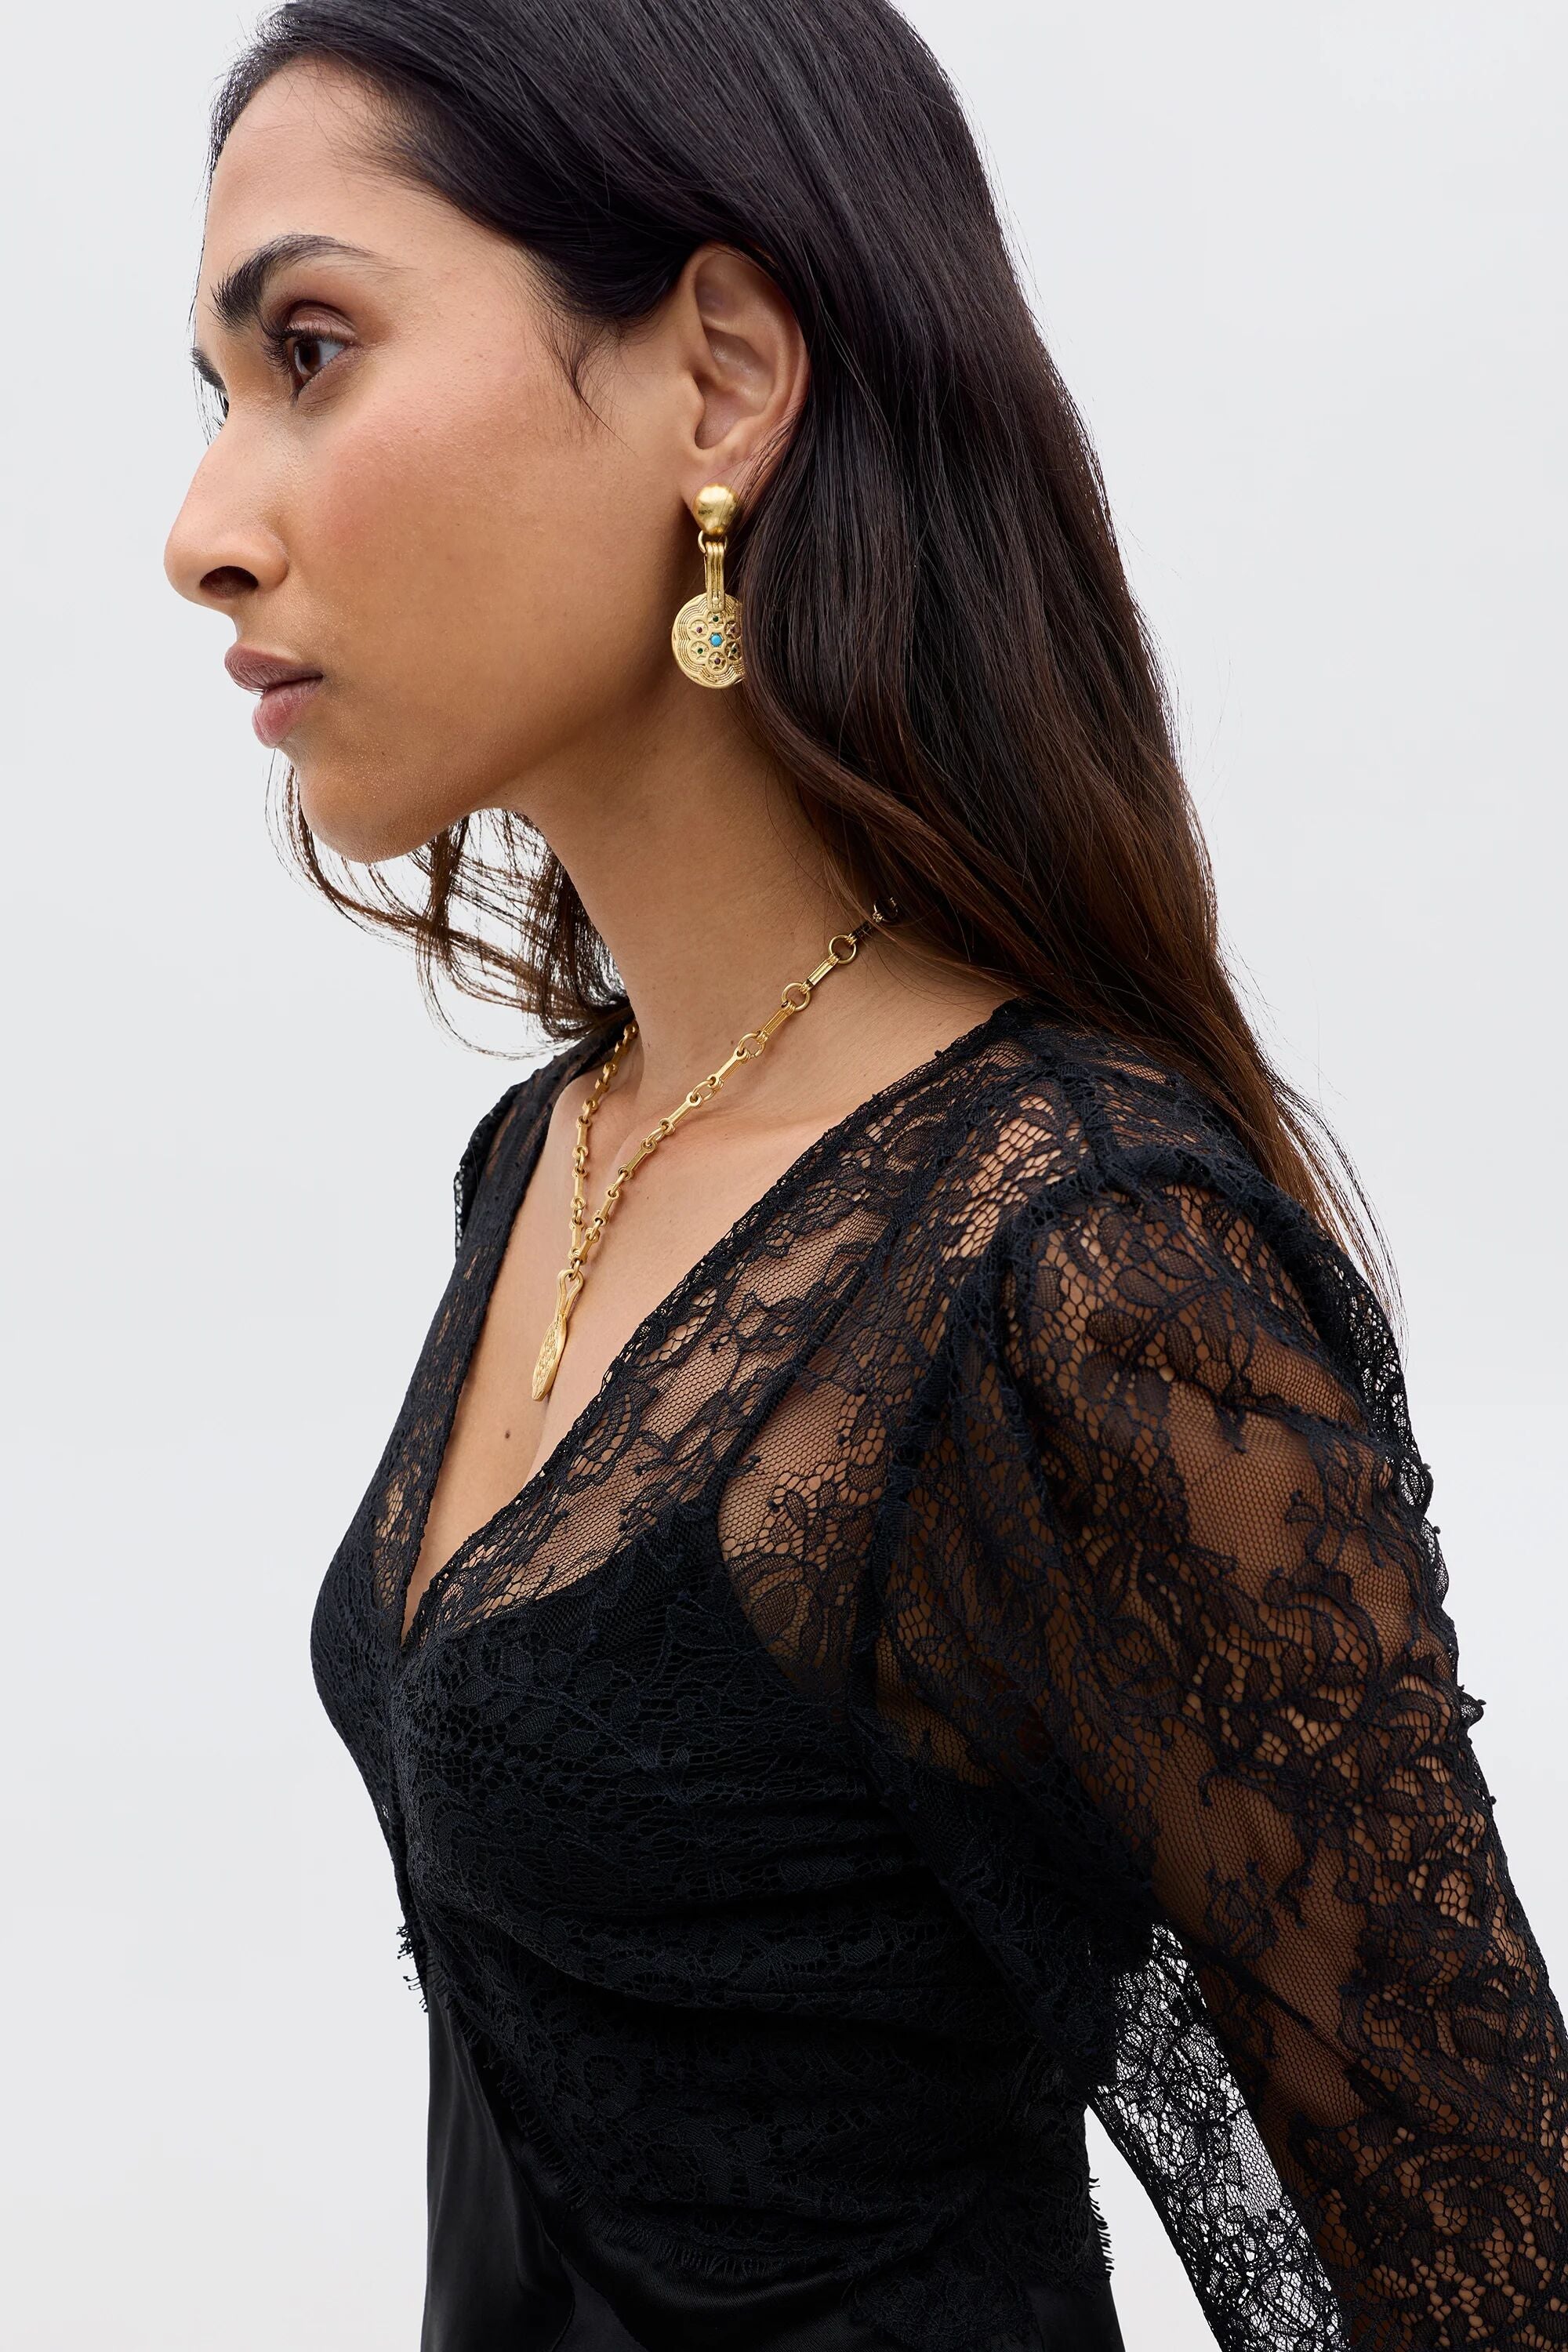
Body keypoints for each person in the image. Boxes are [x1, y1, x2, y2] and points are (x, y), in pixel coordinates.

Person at [163, 3, 1567, 2347]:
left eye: (312, 350)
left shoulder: (1086, 1271)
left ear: (719, 379)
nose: (209, 527)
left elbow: (1483, 2281)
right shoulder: (557, 1155)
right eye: (214, 395)